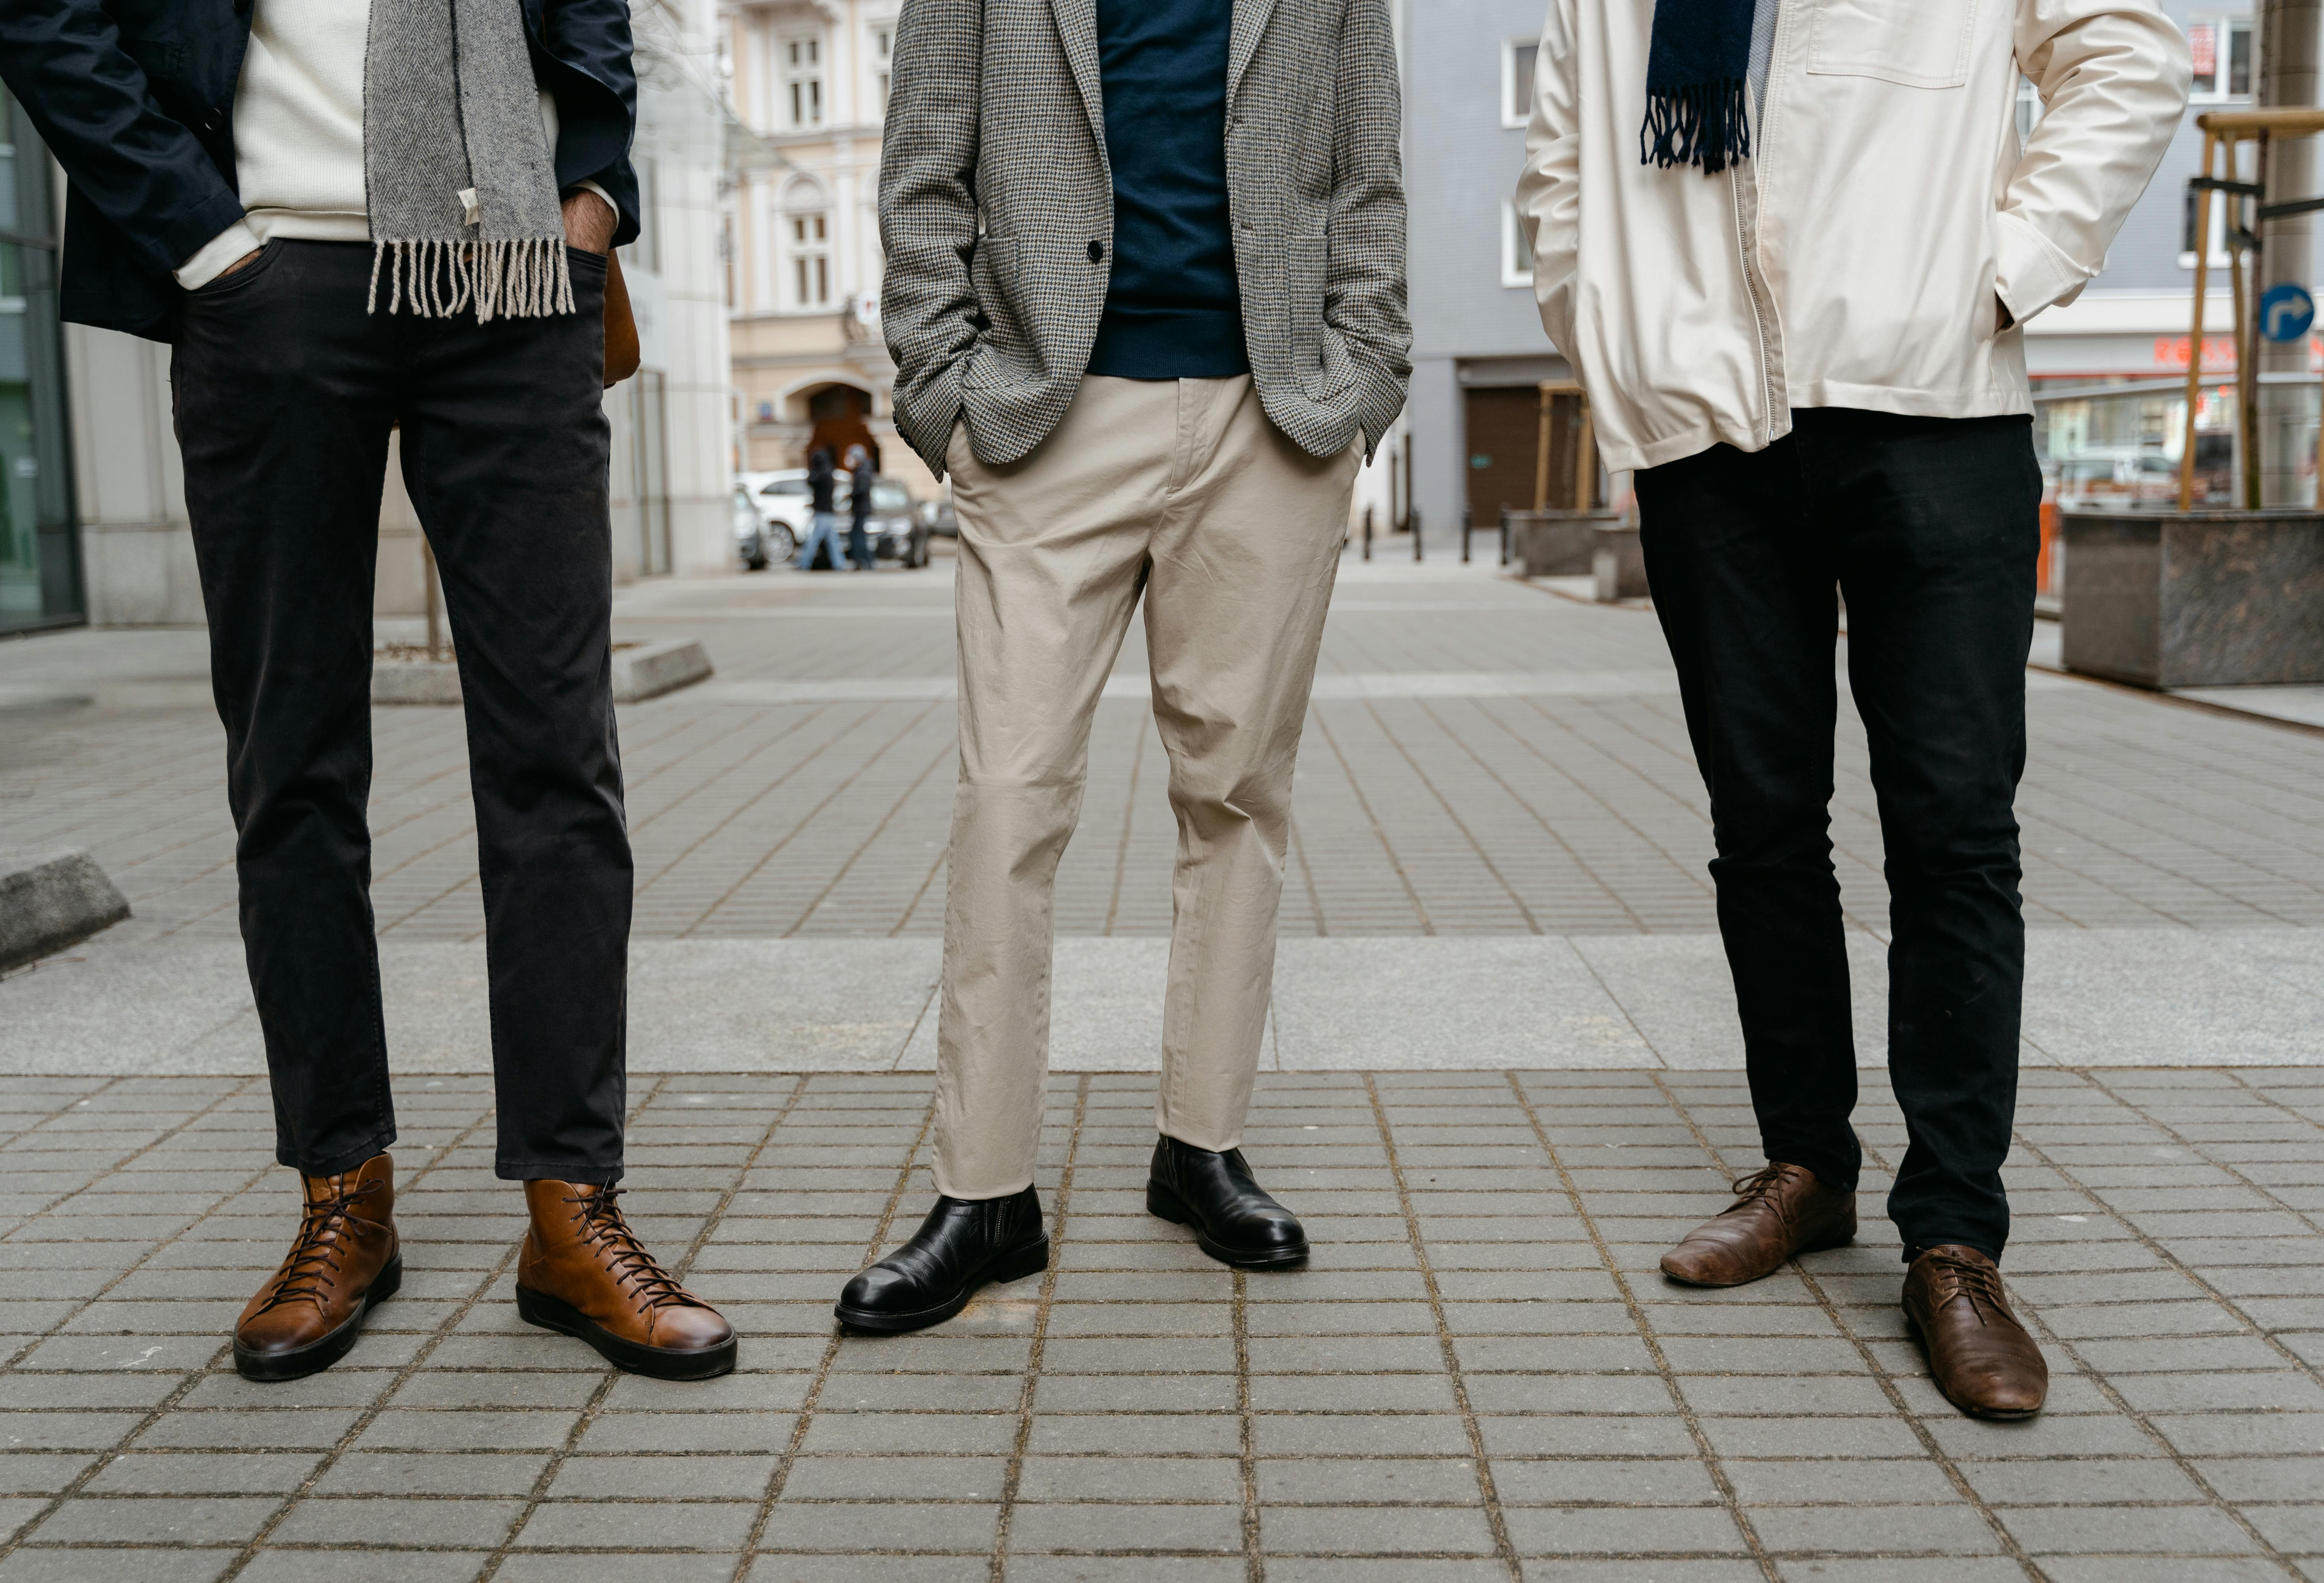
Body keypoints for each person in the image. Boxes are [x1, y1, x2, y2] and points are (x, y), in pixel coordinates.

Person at [0, 0, 734, 1383]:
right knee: (295, 763)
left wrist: (593, 196)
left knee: (559, 759)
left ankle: (573, 1210)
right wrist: (201, 239)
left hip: (513, 274)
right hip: (271, 283)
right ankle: (342, 1196)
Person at [1517, 0, 2187, 1416]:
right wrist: (1614, 343)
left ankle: (1953, 1235)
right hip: (1708, 429)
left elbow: (2123, 50)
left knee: (1950, 830)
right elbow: (1567, 157)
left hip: (1931, 406)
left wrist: (2005, 269)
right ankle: (1806, 1164)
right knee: (1761, 824)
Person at [836, 0, 1408, 1332]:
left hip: (1272, 420)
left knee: (1237, 798)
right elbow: (922, 170)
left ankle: (1200, 1143)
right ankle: (984, 1193)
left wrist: (1363, 375)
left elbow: (1369, 177)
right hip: (1047, 419)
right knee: (1009, 800)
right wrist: (944, 391)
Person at [795, 446, 847, 570]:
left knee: (814, 540)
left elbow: (810, 481)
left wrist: (812, 470)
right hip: (827, 512)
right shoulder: (829, 472)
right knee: (833, 541)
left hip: (823, 512)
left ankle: (804, 564)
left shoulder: (822, 474)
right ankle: (839, 564)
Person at [845, 444, 878, 571]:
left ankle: (866, 562)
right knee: (856, 536)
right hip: (860, 509)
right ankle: (861, 562)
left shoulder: (863, 471)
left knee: (859, 537)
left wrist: (851, 495)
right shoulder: (861, 470)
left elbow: (862, 490)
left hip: (861, 509)